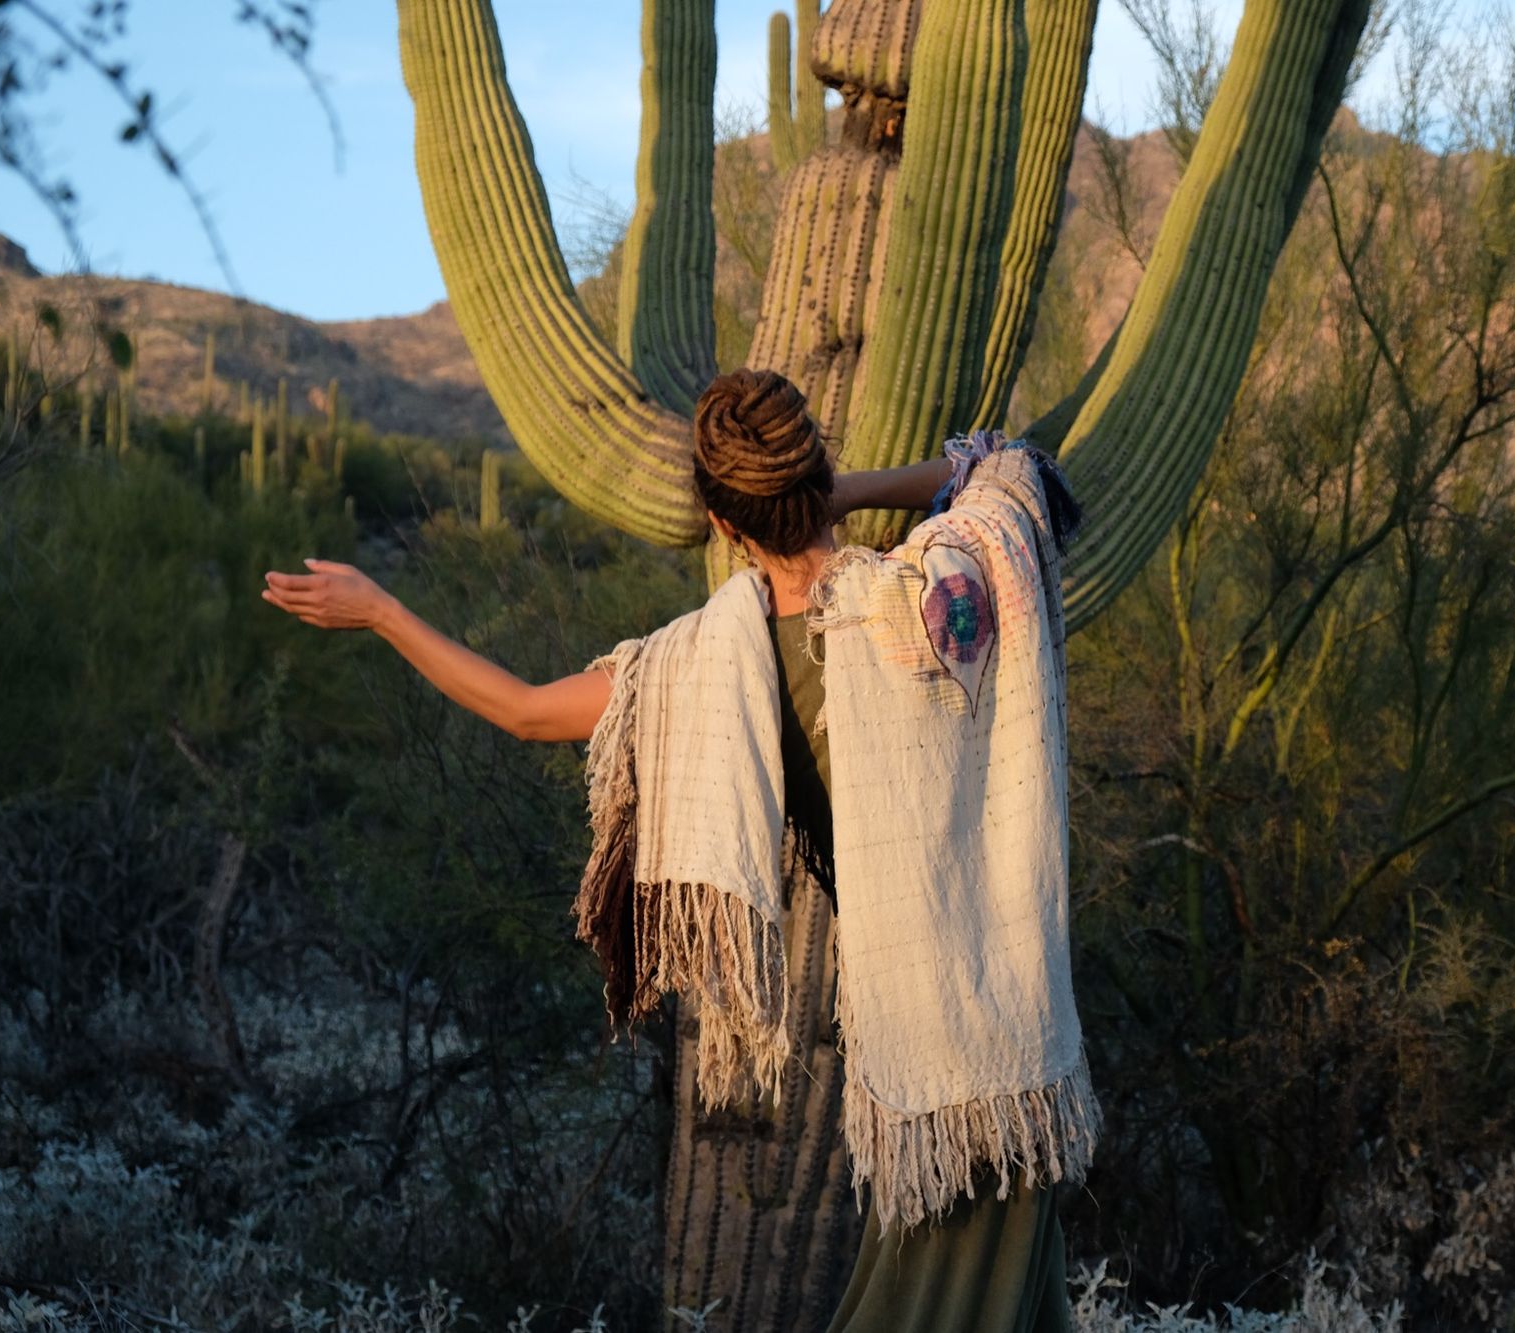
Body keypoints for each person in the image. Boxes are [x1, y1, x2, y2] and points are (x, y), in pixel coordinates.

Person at [263, 368, 1094, 1332]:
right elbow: (1006, 466)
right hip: (1016, 1042)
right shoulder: (946, 578)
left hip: (919, 1059)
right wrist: (851, 489)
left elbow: (527, 709)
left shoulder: (715, 666)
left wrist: (383, 611)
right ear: (815, 473)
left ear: (724, 525)